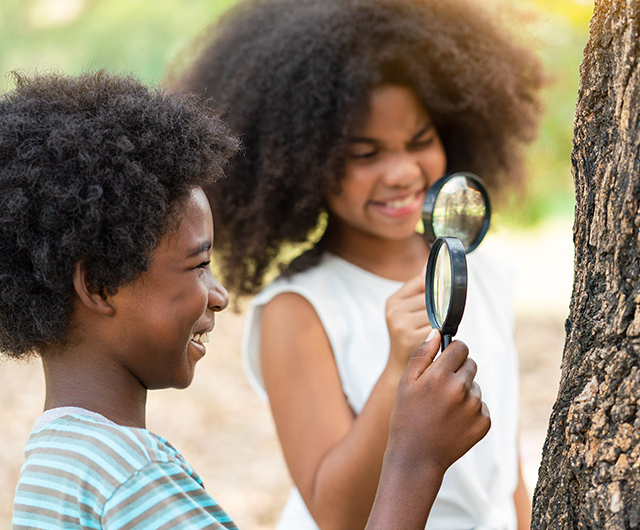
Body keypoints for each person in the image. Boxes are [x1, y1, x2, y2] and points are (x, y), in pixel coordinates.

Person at [0, 70, 490, 529]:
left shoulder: (56, 459)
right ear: (100, 285)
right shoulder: (134, 482)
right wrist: (413, 462)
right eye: (198, 266)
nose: (218, 296)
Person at [173, 0, 544, 528]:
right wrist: (399, 368)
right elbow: (335, 512)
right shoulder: (298, 310)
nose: (401, 172)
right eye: (365, 154)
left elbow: (503, 469)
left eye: (419, 141)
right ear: (300, 160)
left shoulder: (482, 271)